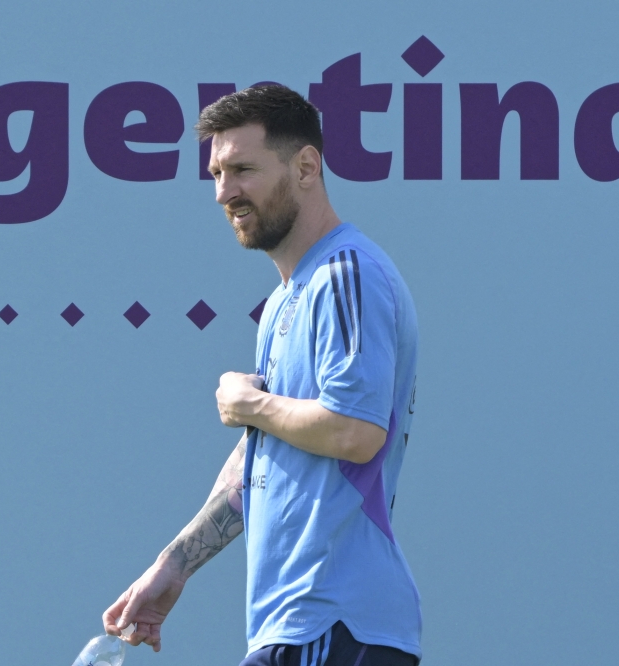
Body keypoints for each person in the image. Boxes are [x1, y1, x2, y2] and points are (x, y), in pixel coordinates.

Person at [102, 85, 421, 666]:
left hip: (336, 620)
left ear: (305, 166)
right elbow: (265, 453)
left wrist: (247, 405)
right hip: (292, 626)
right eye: (217, 173)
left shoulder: (346, 273)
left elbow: (355, 431)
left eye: (243, 169)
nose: (225, 191)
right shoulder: (282, 301)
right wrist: (174, 566)